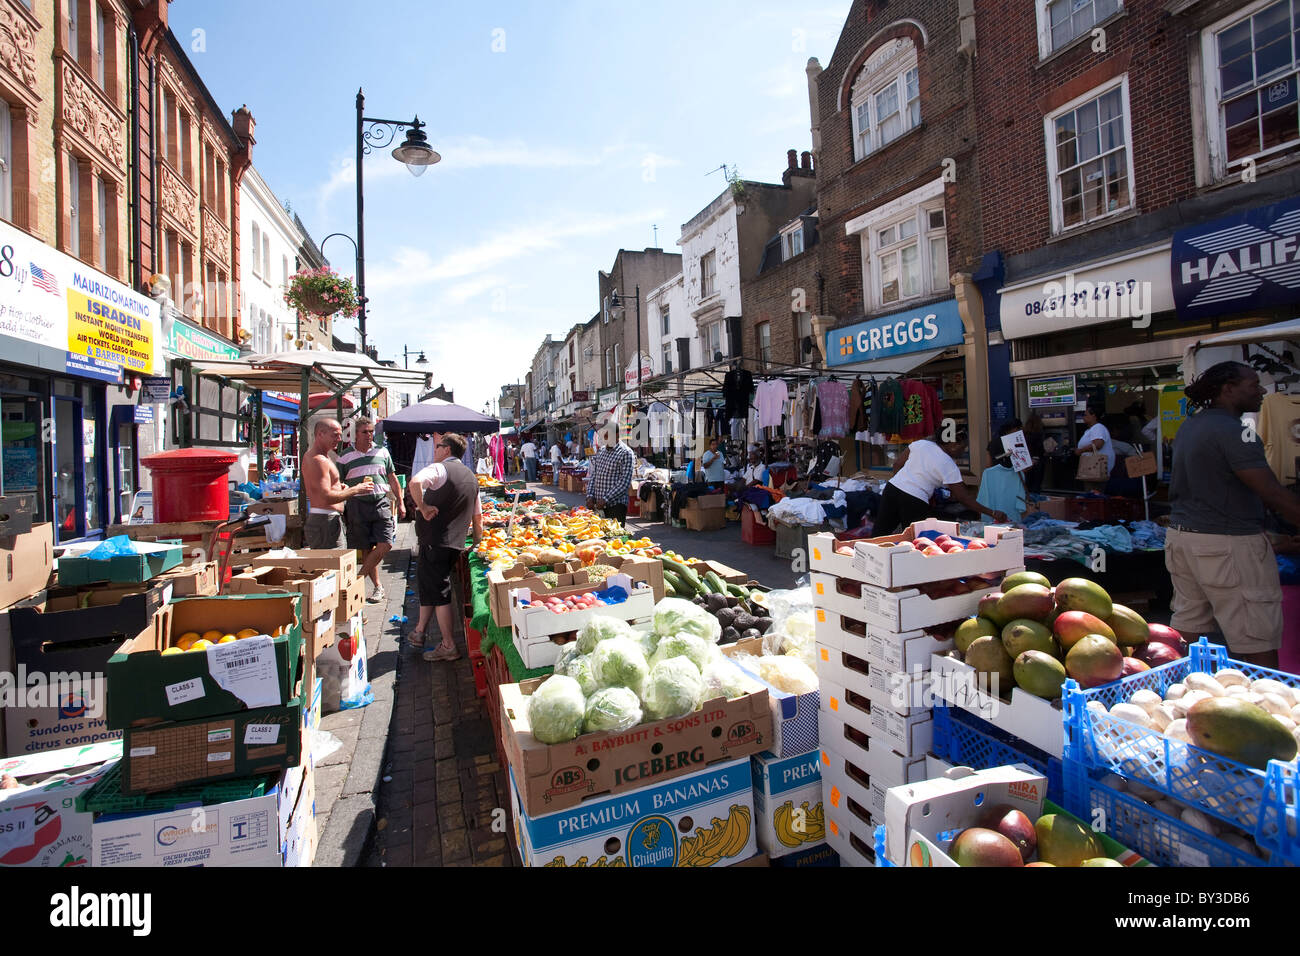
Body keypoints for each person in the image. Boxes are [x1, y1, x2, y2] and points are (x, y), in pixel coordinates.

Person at [1164, 361, 1300, 668]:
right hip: (1227, 544)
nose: (1261, 390)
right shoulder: (1237, 432)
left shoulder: (1192, 425)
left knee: (1188, 630)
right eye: (1252, 384)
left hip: (1183, 539)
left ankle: (1183, 691)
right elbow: (1272, 492)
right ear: (1228, 389)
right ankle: (1267, 706)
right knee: (1257, 636)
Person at [408, 433, 484, 661]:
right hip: (454, 544)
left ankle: (449, 645)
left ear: (447, 450)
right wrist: (478, 544)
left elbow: (414, 483)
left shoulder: (440, 469)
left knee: (440, 592)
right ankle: (420, 631)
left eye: (438, 446)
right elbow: (478, 518)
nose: (435, 450)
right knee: (432, 584)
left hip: (436, 540)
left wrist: (422, 506)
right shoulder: (471, 477)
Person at [875, 431, 1008, 535]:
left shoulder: (921, 444)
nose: (963, 451)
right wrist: (992, 513)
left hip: (892, 489)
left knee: (880, 532)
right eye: (963, 447)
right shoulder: (948, 464)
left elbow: (897, 464)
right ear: (954, 444)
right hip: (915, 499)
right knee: (912, 540)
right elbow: (964, 498)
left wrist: (905, 482)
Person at [338, 418, 406, 603]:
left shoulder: (382, 451)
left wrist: (400, 502)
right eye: (364, 432)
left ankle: (357, 578)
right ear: (355, 434)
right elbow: (338, 483)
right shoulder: (344, 456)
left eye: (371, 432)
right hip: (357, 505)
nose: (369, 435)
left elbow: (392, 478)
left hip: (380, 502)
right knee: (366, 548)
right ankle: (378, 587)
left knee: (386, 543)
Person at [302, 418, 373, 549]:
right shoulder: (319, 460)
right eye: (335, 435)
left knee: (334, 565)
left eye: (340, 435)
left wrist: (340, 488)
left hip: (325, 520)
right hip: (325, 521)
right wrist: (355, 489)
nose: (339, 439)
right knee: (333, 566)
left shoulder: (320, 457)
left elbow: (322, 491)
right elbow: (325, 496)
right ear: (320, 434)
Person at [586, 427, 636, 525]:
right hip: (598, 506)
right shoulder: (601, 451)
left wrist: (605, 499)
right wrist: (590, 496)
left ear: (617, 435)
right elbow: (594, 476)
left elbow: (624, 482)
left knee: (615, 538)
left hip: (616, 506)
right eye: (604, 436)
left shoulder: (626, 452)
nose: (605, 439)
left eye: (608, 436)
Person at [977, 438, 1027, 524]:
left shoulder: (988, 473)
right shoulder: (1019, 474)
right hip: (1013, 521)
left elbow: (983, 500)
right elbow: (1021, 505)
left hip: (992, 520)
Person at [1073, 403, 1114, 492]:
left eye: (1085, 415)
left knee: (1094, 493)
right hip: (1091, 470)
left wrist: (1080, 451)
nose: (1083, 417)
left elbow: (1098, 444)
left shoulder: (1098, 428)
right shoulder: (1091, 429)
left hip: (1096, 470)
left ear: (1093, 416)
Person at [1023, 414, 1046, 494]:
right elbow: (1041, 450)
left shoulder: (1024, 435)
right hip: (1037, 463)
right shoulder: (1039, 435)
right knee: (1035, 487)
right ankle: (1035, 504)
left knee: (1027, 486)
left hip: (1026, 462)